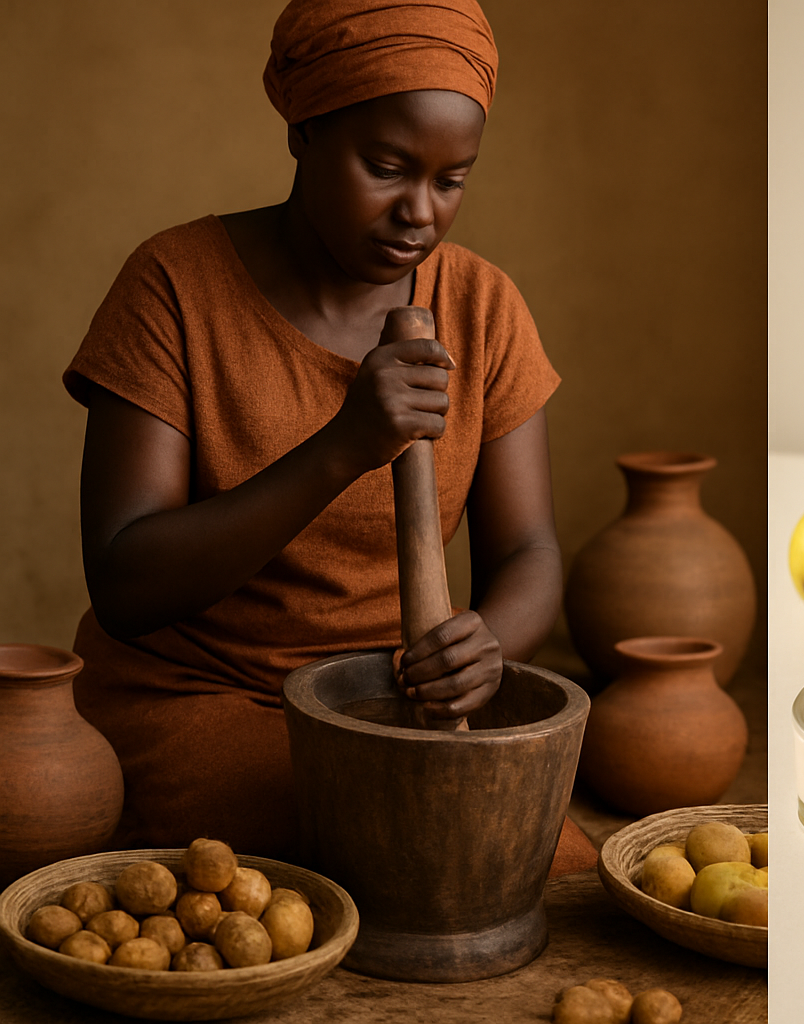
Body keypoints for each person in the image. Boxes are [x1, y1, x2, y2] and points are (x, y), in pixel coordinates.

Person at [63, 0, 593, 872]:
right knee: (436, 840)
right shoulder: (174, 286)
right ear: (303, 132)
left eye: (451, 179)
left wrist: (487, 641)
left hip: (389, 704)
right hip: (202, 701)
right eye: (385, 167)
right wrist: (342, 448)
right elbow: (126, 579)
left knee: (551, 862)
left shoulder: (483, 307)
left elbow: (531, 549)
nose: (418, 212)